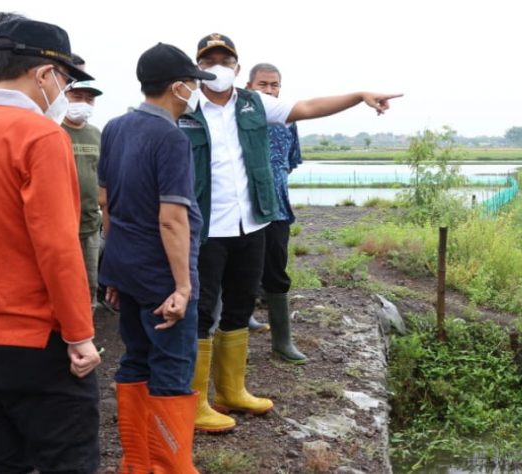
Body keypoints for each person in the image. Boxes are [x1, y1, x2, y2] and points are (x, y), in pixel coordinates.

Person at [181, 33, 402, 432]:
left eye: (224, 60)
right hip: (206, 229)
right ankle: (195, 404)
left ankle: (232, 390)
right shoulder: (185, 105)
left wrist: (359, 95)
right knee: (200, 312)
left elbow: (308, 106)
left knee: (240, 305)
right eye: (208, 60)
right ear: (198, 67)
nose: (217, 67)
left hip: (252, 222)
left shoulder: (253, 104)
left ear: (235, 67)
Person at [98, 43, 215, 471]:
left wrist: (113, 268)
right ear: (177, 86)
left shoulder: (115, 127)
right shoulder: (170, 137)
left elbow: (107, 205)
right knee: (171, 369)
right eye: (192, 85)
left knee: (135, 359)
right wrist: (183, 286)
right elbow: (172, 219)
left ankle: (136, 463)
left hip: (127, 272)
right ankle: (168, 466)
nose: (194, 93)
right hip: (162, 278)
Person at [0, 13, 101, 474]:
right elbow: (58, 246)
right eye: (64, 79)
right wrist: (80, 336)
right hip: (35, 338)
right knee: (67, 458)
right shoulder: (39, 135)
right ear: (43, 74)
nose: (63, 92)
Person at [246, 62, 307, 363]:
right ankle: (239, 320)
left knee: (275, 268)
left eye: (274, 85)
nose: (269, 90)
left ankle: (282, 341)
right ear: (249, 87)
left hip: (278, 208)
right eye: (263, 85)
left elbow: (290, 161)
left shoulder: (288, 120)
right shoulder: (240, 118)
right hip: (244, 205)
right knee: (238, 268)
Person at [62, 79, 104, 310]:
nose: (83, 103)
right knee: (63, 283)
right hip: (62, 226)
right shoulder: (54, 129)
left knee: (89, 283)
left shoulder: (96, 134)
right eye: (77, 97)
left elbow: (103, 176)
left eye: (89, 99)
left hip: (89, 224)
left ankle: (86, 334)